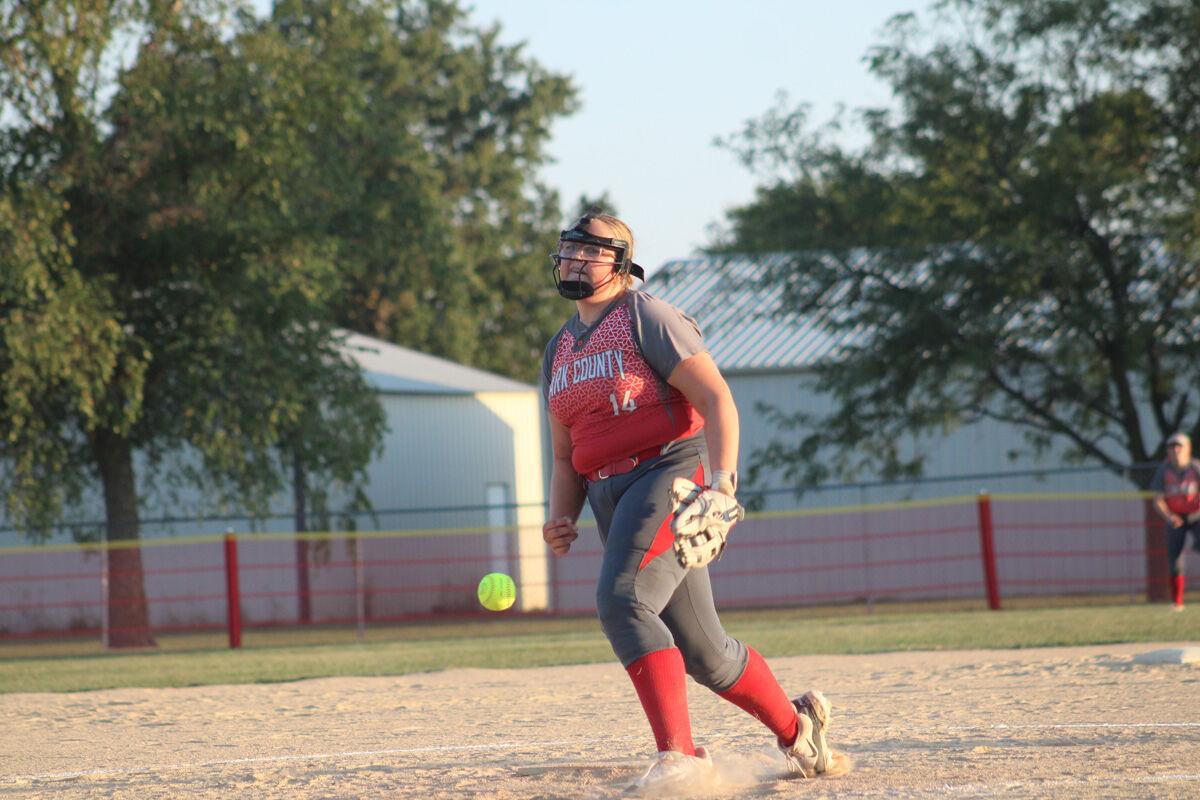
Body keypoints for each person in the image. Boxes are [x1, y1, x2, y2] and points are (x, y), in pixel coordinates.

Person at [539, 208, 836, 794]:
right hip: (607, 490)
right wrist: (561, 514)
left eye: (592, 249)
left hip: (669, 472)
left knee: (623, 600)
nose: (576, 257)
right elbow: (564, 452)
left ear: (622, 264)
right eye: (570, 247)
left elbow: (718, 399)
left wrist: (723, 481)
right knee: (707, 654)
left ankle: (680, 757)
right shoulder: (557, 350)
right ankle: (800, 730)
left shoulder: (644, 315)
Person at [1150, 432, 1200, 611]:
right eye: (1172, 446)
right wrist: (1170, 516)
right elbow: (1157, 499)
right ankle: (1177, 603)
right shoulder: (1164, 470)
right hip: (1175, 518)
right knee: (1175, 560)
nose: (1175, 450)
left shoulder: (1195, 468)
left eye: (1179, 446)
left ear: (1188, 448)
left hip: (1197, 515)